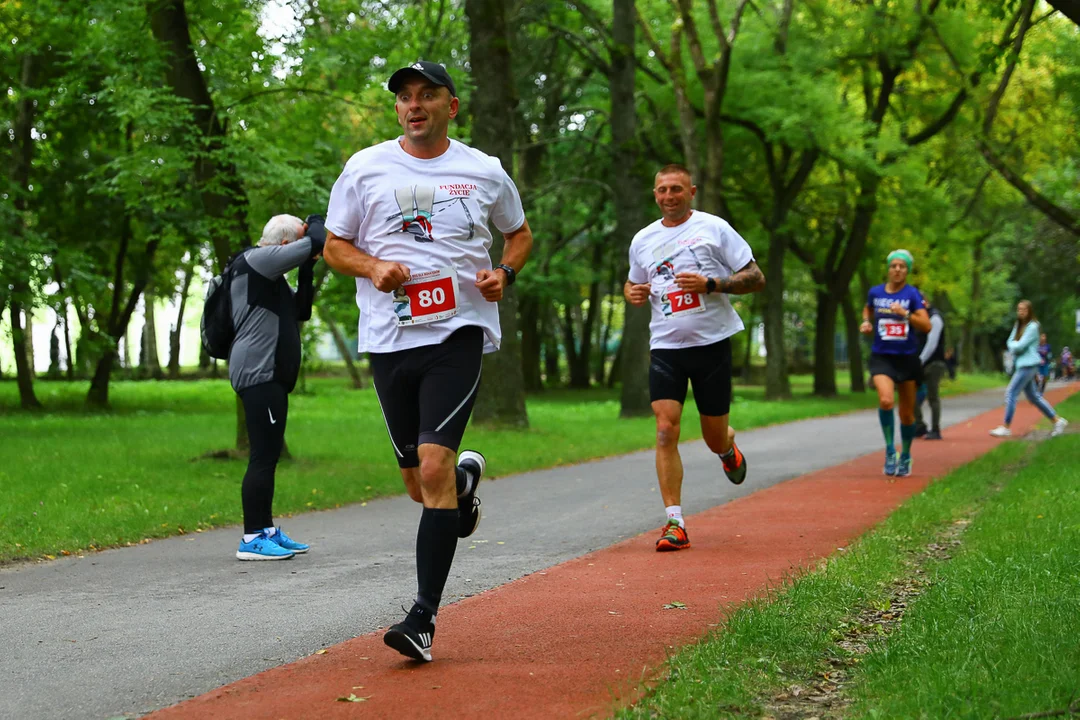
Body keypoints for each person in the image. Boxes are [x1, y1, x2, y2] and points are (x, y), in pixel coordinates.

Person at [322, 60, 533, 662]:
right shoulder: (364, 168)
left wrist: (505, 273)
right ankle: (464, 486)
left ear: (452, 105)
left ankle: (423, 618)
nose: (415, 106)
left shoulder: (484, 169)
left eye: (428, 95)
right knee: (421, 485)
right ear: (397, 109)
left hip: (457, 331)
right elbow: (334, 244)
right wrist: (372, 267)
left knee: (432, 468)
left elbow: (518, 233)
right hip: (389, 338)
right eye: (405, 98)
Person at [624, 164, 765, 552]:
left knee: (712, 435)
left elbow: (755, 277)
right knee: (666, 429)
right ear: (655, 194)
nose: (669, 196)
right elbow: (634, 281)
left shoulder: (714, 229)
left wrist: (711, 284)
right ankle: (675, 523)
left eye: (677, 189)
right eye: (662, 190)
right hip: (667, 346)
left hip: (712, 344)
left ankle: (726, 447)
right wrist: (632, 293)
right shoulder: (643, 239)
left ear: (692, 192)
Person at [231, 213, 325, 560]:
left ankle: (266, 529)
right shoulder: (258, 260)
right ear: (286, 246)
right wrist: (313, 223)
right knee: (262, 458)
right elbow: (318, 238)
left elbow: (301, 311)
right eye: (297, 245)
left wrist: (307, 267)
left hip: (270, 377)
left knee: (268, 457)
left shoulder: (272, 276)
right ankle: (252, 538)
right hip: (259, 374)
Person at [860, 250, 932, 478]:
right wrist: (866, 323)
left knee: (907, 415)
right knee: (886, 400)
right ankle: (890, 450)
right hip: (882, 357)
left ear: (907, 270)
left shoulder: (912, 294)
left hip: (907, 358)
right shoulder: (876, 292)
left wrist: (905, 314)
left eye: (902, 266)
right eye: (894, 266)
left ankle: (906, 454)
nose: (898, 269)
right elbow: (868, 308)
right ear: (888, 269)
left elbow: (926, 325)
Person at [990, 301, 1068, 437]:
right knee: (1034, 397)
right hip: (1022, 364)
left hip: (1028, 365)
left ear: (1029, 311)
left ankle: (1006, 427)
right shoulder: (1018, 325)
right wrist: (1015, 345)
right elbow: (1010, 342)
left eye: (1024, 309)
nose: (1021, 312)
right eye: (1019, 309)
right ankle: (1057, 421)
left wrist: (1014, 345)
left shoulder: (1033, 327)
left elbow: (1020, 346)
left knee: (1010, 393)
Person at [914, 300, 947, 440]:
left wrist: (920, 360)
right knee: (910, 395)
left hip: (934, 363)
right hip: (919, 363)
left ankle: (935, 429)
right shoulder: (916, 318)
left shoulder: (935, 318)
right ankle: (920, 425)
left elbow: (932, 344)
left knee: (933, 397)